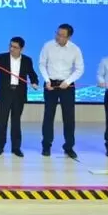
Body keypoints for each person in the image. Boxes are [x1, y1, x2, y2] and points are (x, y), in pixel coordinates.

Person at [0, 36, 39, 157]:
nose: (11, 49)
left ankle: (16, 148)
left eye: (15, 47)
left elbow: (32, 74)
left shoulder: (27, 60)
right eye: (10, 46)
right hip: (4, 94)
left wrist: (35, 82)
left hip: (19, 95)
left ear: (21, 49)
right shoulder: (2, 57)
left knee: (16, 122)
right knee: (2, 122)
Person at [38, 23, 84, 158]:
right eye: (57, 33)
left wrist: (68, 81)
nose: (58, 37)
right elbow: (42, 64)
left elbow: (80, 69)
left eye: (62, 35)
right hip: (50, 84)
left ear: (69, 37)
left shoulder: (75, 49)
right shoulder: (48, 46)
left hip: (67, 86)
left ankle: (69, 147)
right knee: (48, 116)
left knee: (69, 117)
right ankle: (46, 145)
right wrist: (47, 80)